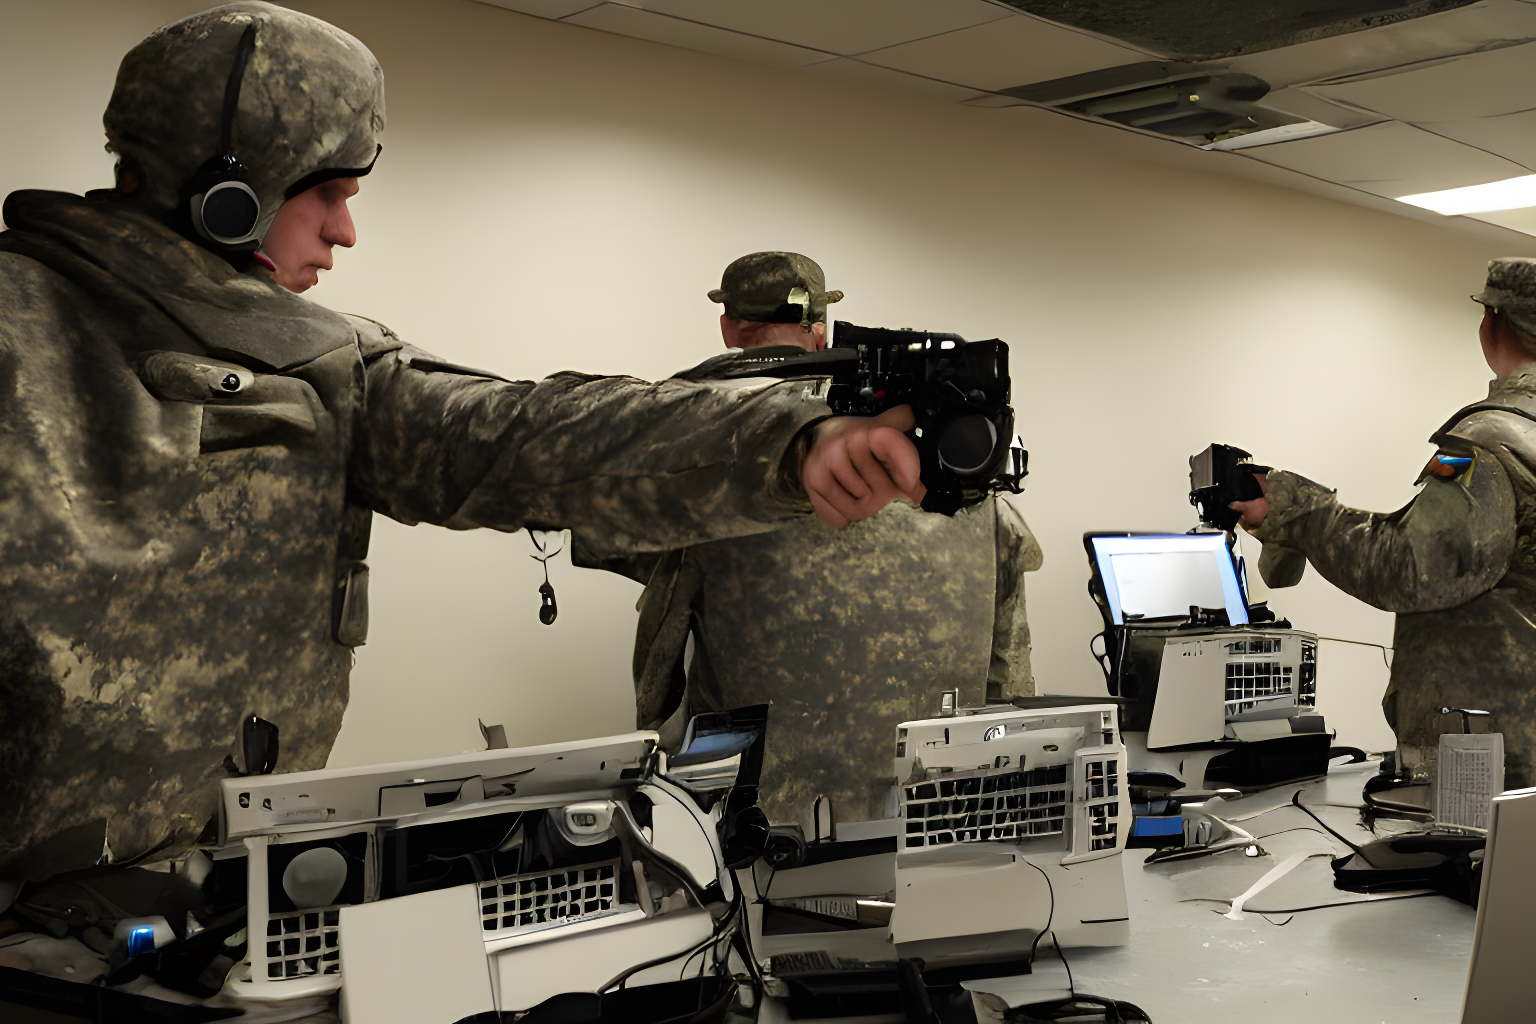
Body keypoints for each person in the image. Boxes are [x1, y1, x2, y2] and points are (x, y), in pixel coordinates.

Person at [0, 3, 922, 900]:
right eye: (327, 192)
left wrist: (793, 435)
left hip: (210, 889)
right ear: (230, 186)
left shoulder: (331, 370)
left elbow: (523, 432)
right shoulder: (22, 321)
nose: (344, 230)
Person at [574, 252, 1042, 834]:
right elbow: (1011, 677)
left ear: (730, 328)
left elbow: (657, 667)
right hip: (940, 822)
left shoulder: (710, 459)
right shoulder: (934, 446)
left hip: (761, 835)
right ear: (820, 328)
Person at [1232, 257, 1536, 788]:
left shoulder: (1487, 442)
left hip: (1495, 750)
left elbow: (1412, 567)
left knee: (1474, 873)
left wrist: (1297, 510)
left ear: (1494, 323)